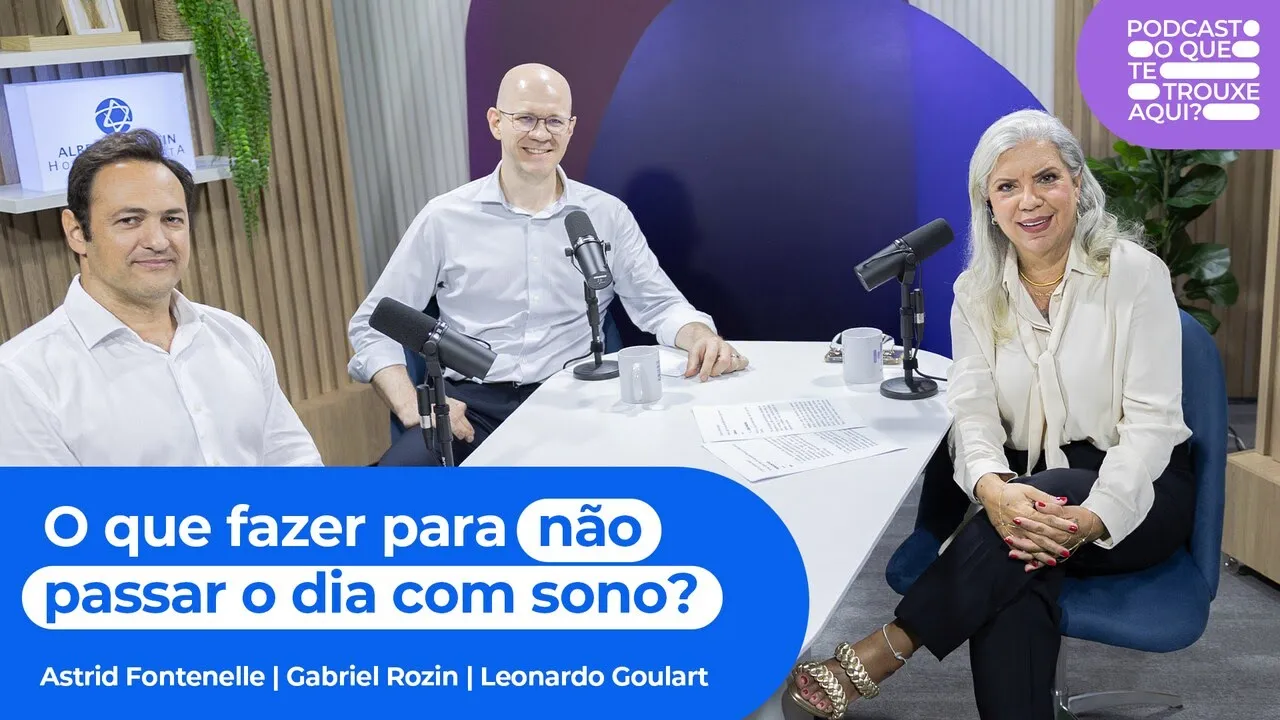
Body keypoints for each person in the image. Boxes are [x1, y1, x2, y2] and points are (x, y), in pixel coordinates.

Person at [785, 109, 1194, 719]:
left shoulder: (1134, 274)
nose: (1029, 201)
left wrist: (1094, 516)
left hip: (1141, 488)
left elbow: (1152, 426)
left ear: (1077, 184)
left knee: (1037, 510)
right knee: (1019, 576)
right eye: (1007, 186)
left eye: (1046, 178)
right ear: (989, 204)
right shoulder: (975, 292)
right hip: (1026, 493)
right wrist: (992, 488)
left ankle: (891, 645)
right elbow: (971, 410)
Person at [348, 63, 747, 467]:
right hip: (471, 407)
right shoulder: (444, 217)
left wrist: (700, 336)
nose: (541, 134)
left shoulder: (605, 214)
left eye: (554, 121)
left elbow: (659, 305)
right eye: (525, 118)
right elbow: (372, 323)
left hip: (578, 401)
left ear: (570, 128)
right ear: (496, 122)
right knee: (394, 490)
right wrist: (410, 404)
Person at [0, 129, 322, 466]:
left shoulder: (235, 336)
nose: (157, 241)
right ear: (77, 231)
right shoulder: (22, 377)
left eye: (172, 219)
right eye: (130, 220)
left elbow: (294, 462)